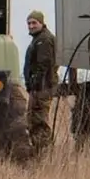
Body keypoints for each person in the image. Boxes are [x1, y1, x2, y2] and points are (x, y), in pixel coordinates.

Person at [22, 10, 58, 154]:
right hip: (39, 88)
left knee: (39, 121)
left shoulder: (44, 40)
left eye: (34, 23)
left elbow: (43, 65)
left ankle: (43, 153)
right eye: (29, 23)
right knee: (34, 120)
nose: (31, 26)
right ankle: (40, 150)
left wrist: (35, 84)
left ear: (41, 23)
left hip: (42, 88)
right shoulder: (39, 39)